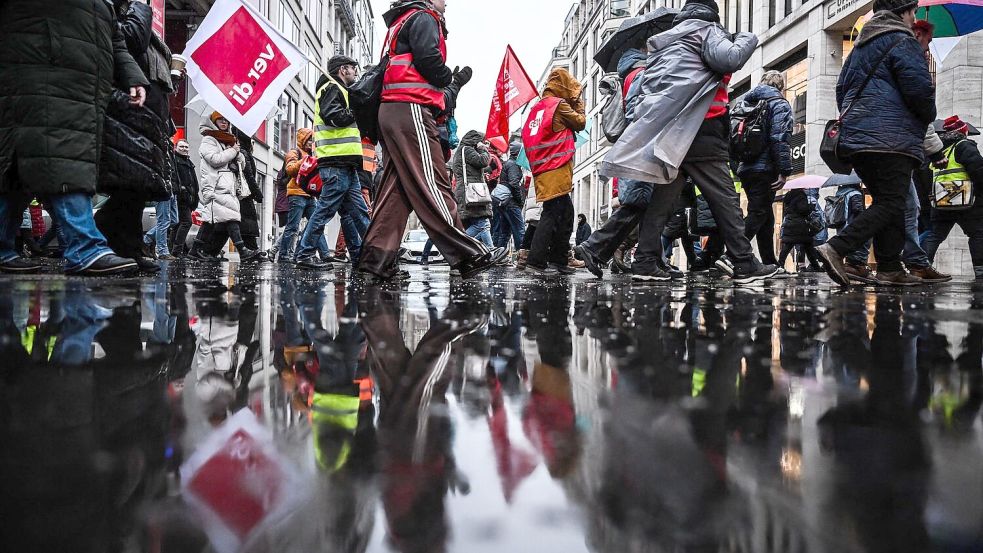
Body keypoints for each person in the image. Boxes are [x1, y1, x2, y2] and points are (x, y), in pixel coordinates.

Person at [595, 0, 777, 284]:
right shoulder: (706, 30)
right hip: (703, 126)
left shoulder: (664, 43)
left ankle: (644, 260)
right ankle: (743, 262)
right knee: (725, 198)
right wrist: (746, 37)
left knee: (661, 200)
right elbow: (730, 59)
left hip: (673, 130)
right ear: (712, 13)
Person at [359, 0, 507, 280]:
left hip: (392, 110)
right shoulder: (424, 17)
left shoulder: (400, 21)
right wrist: (449, 79)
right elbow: (429, 63)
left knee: (395, 189)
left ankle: (375, 260)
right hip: (411, 107)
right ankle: (467, 254)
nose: (446, 3)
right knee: (433, 181)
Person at [0, 0, 148, 275]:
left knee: (19, 170)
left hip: (80, 85)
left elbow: (113, 37)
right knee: (64, 159)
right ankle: (84, 247)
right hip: (41, 72)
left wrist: (132, 76)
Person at [815, 0, 937, 287]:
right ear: (904, 11)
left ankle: (890, 268)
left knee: (888, 201)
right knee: (893, 201)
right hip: (890, 138)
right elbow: (919, 92)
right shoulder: (902, 40)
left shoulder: (861, 45)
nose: (914, 18)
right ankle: (837, 248)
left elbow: (841, 89)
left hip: (859, 139)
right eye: (914, 12)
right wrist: (927, 113)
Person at [572, 45, 648, 278]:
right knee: (639, 202)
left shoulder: (627, 78)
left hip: (634, 145)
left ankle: (602, 251)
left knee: (645, 203)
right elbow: (639, 113)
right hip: (643, 146)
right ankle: (595, 248)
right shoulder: (640, 75)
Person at [294, 56, 370, 270]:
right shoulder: (331, 87)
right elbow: (333, 116)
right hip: (336, 161)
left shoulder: (338, 89)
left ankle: (371, 255)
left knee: (358, 212)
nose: (356, 72)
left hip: (345, 162)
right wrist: (356, 110)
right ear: (343, 70)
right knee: (326, 210)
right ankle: (305, 254)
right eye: (353, 68)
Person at [521, 68, 586, 275]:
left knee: (565, 212)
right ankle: (536, 261)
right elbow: (581, 122)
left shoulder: (537, 108)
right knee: (552, 213)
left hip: (542, 167)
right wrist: (577, 102)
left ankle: (558, 260)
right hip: (556, 165)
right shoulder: (560, 105)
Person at [736, 71, 793, 271]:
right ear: (780, 86)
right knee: (758, 213)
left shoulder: (745, 102)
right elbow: (779, 138)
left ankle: (770, 262)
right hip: (765, 167)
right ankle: (732, 256)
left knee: (766, 215)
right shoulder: (779, 104)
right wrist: (784, 170)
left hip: (745, 168)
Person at [921, 116, 983, 280]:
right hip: (967, 201)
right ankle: (980, 272)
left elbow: (927, 175)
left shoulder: (940, 151)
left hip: (942, 201)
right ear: (963, 132)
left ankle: (922, 267)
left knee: (935, 236)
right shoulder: (964, 145)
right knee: (978, 234)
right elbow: (978, 170)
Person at [195, 112, 259, 262]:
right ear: (214, 122)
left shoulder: (228, 140)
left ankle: (195, 251)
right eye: (220, 120)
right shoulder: (209, 140)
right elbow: (215, 159)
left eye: (226, 120)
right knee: (230, 218)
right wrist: (232, 151)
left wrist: (239, 155)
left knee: (212, 221)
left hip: (226, 186)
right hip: (215, 185)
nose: (224, 122)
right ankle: (242, 251)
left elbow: (240, 165)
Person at [277, 128, 330, 263]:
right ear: (303, 140)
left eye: (313, 140)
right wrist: (305, 161)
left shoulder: (313, 154)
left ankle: (325, 254)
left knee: (316, 224)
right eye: (309, 139)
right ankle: (283, 255)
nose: (311, 142)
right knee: (292, 226)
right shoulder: (294, 152)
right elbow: (290, 169)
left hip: (310, 196)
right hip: (296, 194)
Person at [452, 130, 494, 248]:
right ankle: (459, 245)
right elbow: (482, 161)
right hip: (472, 192)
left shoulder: (461, 151)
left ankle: (487, 251)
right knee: (482, 224)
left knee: (479, 223)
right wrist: (482, 149)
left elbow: (472, 169)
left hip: (466, 190)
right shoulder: (467, 150)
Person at [778, 188, 825, 270]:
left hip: (790, 223)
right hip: (799, 225)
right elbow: (802, 209)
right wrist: (810, 207)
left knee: (788, 246)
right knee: (808, 246)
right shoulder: (801, 196)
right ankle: (816, 266)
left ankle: (780, 265)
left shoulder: (789, 195)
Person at [492, 141, 526, 252]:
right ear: (518, 153)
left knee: (505, 230)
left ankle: (499, 255)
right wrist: (520, 200)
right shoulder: (513, 165)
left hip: (503, 201)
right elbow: (514, 183)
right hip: (510, 201)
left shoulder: (508, 163)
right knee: (519, 229)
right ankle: (522, 255)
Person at [171, 139, 199, 257]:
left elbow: (193, 182)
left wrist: (195, 196)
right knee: (186, 222)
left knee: (178, 224)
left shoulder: (188, 162)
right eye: (181, 147)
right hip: (181, 197)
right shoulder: (175, 161)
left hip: (189, 198)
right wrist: (181, 192)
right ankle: (177, 250)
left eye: (186, 147)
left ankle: (174, 250)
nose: (184, 149)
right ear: (176, 148)